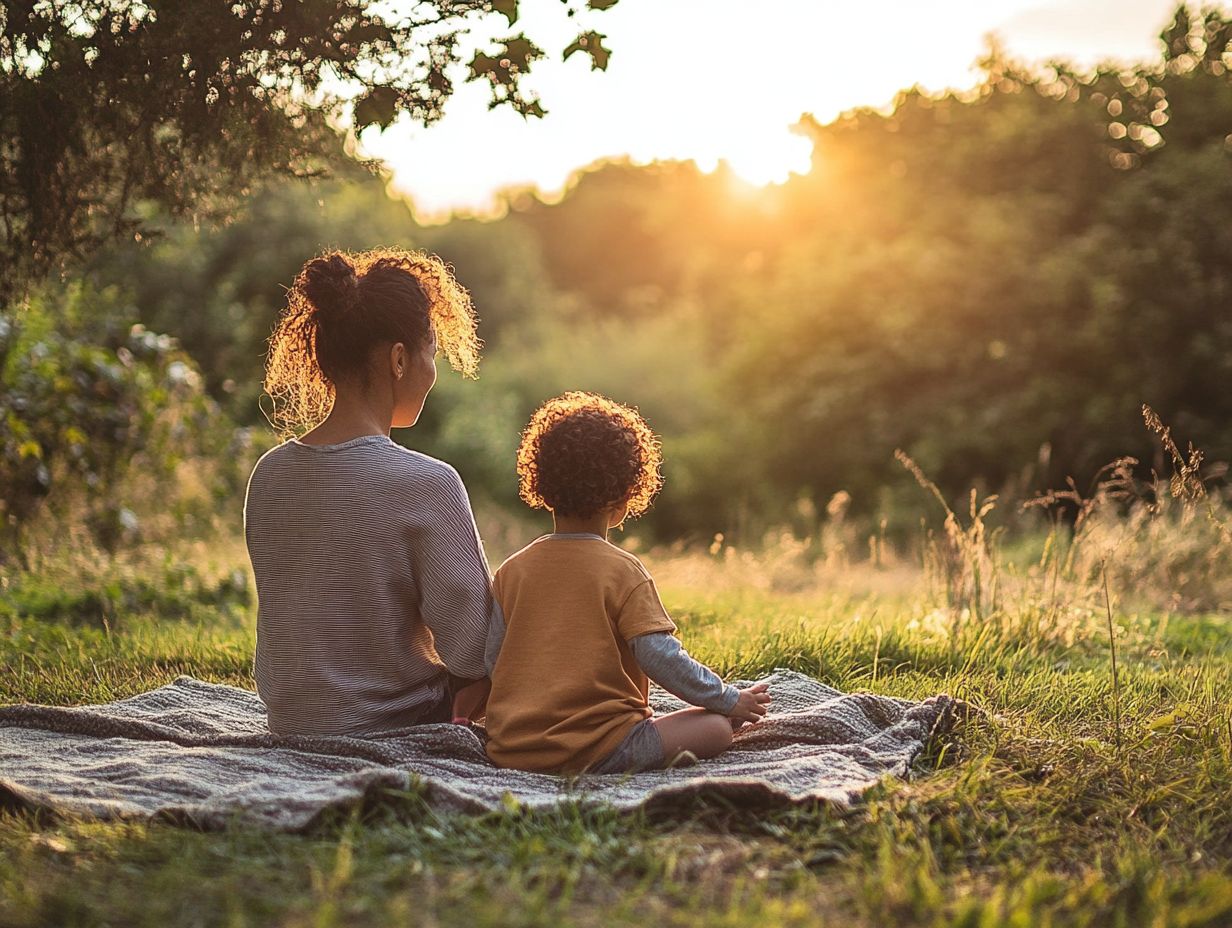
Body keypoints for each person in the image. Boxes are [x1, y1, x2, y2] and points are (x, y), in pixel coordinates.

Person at [243, 248, 493, 737]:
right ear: (399, 359)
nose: (433, 373)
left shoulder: (268, 474)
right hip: (394, 722)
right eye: (433, 355)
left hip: (292, 723)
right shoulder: (428, 481)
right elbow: (472, 649)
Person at [484, 392, 771, 774]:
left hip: (512, 749)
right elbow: (661, 658)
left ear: (544, 489)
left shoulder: (511, 570)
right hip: (602, 750)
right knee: (716, 727)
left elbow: (493, 661)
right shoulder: (623, 571)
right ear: (624, 499)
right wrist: (728, 699)